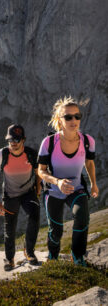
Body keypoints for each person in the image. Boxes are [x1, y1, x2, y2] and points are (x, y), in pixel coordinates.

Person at [38, 96, 99, 266]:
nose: (74, 120)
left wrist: (94, 183)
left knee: (82, 217)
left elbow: (89, 162)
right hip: (54, 190)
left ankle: (77, 256)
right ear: (60, 119)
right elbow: (41, 171)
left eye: (77, 116)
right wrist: (57, 182)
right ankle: (53, 257)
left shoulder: (88, 141)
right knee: (56, 230)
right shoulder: (49, 142)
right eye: (68, 117)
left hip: (77, 188)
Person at [0, 124, 41, 271]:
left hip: (28, 192)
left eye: (17, 139)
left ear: (23, 140)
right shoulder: (0, 155)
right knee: (10, 227)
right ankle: (9, 258)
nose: (13, 143)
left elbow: (39, 172)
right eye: (11, 139)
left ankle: (29, 252)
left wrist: (39, 188)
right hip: (10, 195)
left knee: (35, 216)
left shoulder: (31, 154)